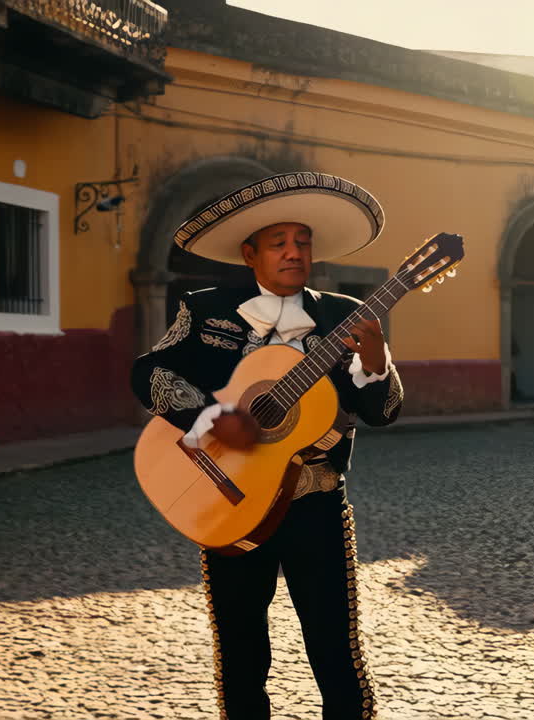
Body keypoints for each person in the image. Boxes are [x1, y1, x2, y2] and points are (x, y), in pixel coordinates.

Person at [130, 172, 403, 719]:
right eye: (278, 243)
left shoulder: (342, 315)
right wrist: (211, 417)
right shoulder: (206, 309)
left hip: (316, 505)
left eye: (302, 241)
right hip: (223, 497)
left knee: (336, 650)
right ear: (249, 253)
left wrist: (376, 363)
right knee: (240, 653)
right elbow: (152, 371)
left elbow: (384, 412)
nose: (293, 252)